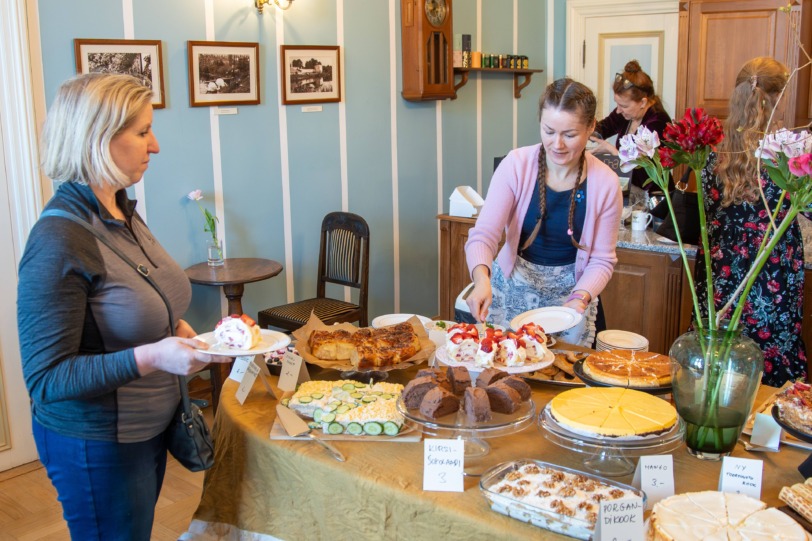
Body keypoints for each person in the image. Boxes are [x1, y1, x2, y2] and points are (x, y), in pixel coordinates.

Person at [16, 73, 231, 539]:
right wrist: (156, 355)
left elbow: (138, 302)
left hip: (146, 428)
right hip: (96, 444)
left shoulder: (120, 213)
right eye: (141, 131)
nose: (154, 145)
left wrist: (190, 333)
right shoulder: (59, 238)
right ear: (97, 139)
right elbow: (46, 379)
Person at [465, 78, 623, 347]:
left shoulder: (606, 183)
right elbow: (484, 235)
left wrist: (579, 299)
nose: (557, 144)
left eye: (569, 135)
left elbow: (602, 260)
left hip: (571, 298)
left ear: (591, 127)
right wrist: (481, 278)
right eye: (549, 131)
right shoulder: (515, 166)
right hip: (514, 288)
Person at [694, 56, 807, 387]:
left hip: (721, 276)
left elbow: (706, 213)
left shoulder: (711, 155)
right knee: (765, 363)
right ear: (777, 98)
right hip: (772, 276)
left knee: (717, 364)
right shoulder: (788, 155)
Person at [591, 60, 673, 193]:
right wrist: (585, 129)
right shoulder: (627, 113)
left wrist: (613, 151)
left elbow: (644, 170)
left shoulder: (657, 123)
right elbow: (603, 128)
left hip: (655, 196)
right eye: (617, 104)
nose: (618, 110)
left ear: (643, 102)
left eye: (623, 106)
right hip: (632, 191)